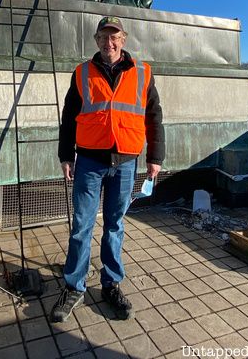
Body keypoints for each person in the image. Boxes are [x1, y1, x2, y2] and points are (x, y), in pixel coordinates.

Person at [50, 16, 165, 323]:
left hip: (126, 162)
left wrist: (156, 157)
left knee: (115, 225)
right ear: (97, 39)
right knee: (82, 226)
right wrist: (66, 155)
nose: (109, 42)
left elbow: (154, 117)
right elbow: (68, 117)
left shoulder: (142, 73)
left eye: (114, 37)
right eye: (103, 36)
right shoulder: (82, 72)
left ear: (123, 40)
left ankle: (111, 284)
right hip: (89, 161)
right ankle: (74, 286)